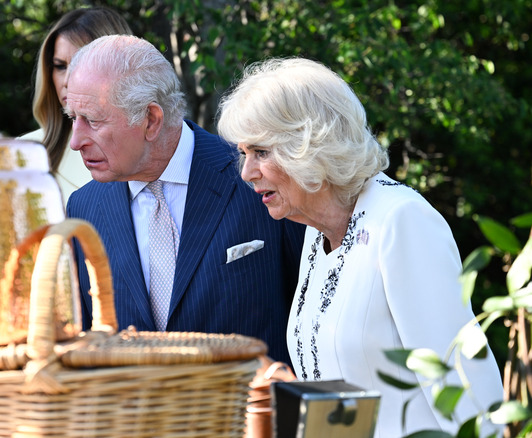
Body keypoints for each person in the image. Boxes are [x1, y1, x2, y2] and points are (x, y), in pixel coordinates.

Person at [216, 57, 504, 436]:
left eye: (261, 153)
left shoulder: (401, 221)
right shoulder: (315, 231)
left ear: (309, 145)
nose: (246, 172)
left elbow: (464, 386)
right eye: (244, 154)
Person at [64, 35, 306, 364]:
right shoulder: (84, 209)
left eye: (92, 120)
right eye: (72, 119)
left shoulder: (257, 179)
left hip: (250, 411)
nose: (76, 140)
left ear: (151, 119)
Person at [19, 7, 132, 203]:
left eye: (83, 63)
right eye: (60, 66)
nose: (68, 80)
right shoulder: (23, 153)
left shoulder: (151, 152)